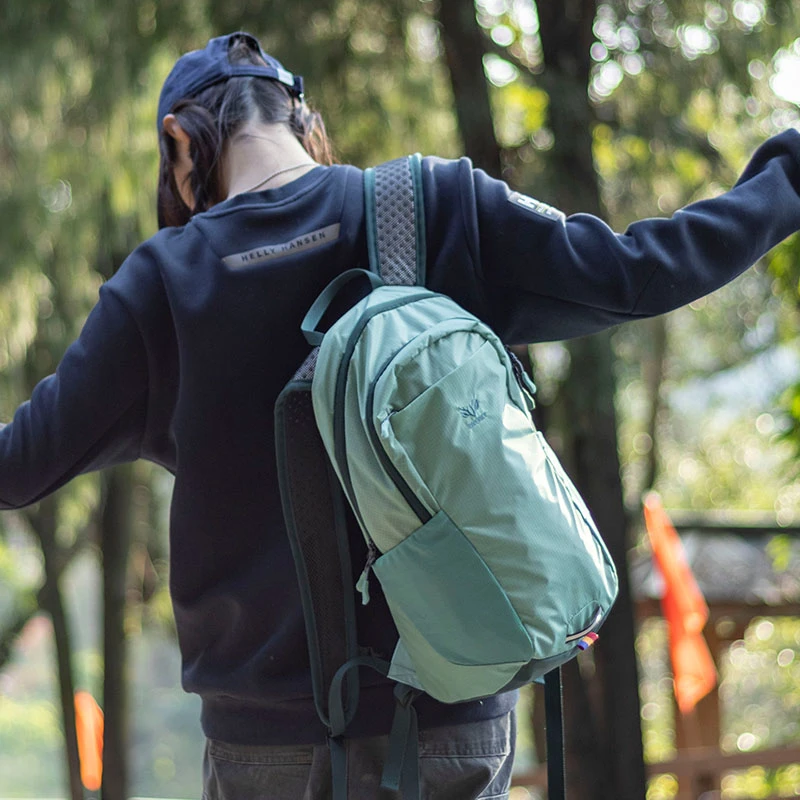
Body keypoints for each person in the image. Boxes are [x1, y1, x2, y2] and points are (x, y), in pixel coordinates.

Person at [2, 29, 800, 799]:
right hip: (448, 720)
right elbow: (640, 273)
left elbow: (17, 468)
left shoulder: (162, 285)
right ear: (301, 122)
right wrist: (785, 182)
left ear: (180, 143)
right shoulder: (431, 204)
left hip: (265, 747)